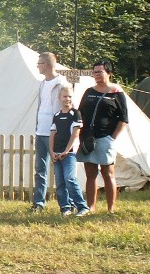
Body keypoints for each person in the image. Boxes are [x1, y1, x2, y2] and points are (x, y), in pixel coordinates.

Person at [76, 59, 129, 214]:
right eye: (95, 72)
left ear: (108, 73)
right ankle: (90, 207)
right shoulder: (89, 91)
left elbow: (124, 118)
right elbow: (80, 113)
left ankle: (110, 209)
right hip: (88, 138)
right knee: (90, 174)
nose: (96, 75)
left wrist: (112, 138)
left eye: (100, 72)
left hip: (106, 137)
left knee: (108, 173)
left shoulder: (116, 93)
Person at [32, 52, 68, 212]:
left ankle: (65, 204)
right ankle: (39, 203)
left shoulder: (61, 83)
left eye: (39, 63)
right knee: (40, 169)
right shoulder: (42, 83)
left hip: (55, 132)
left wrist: (61, 128)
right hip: (41, 131)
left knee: (60, 169)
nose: (37, 66)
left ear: (46, 64)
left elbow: (66, 106)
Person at [49, 86, 90, 217]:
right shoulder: (56, 115)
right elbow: (52, 134)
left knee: (70, 179)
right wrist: (51, 151)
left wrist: (66, 151)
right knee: (60, 182)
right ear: (60, 98)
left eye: (70, 96)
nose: (67, 99)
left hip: (69, 153)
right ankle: (65, 207)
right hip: (57, 153)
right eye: (65, 96)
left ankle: (82, 206)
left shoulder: (75, 114)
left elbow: (75, 134)